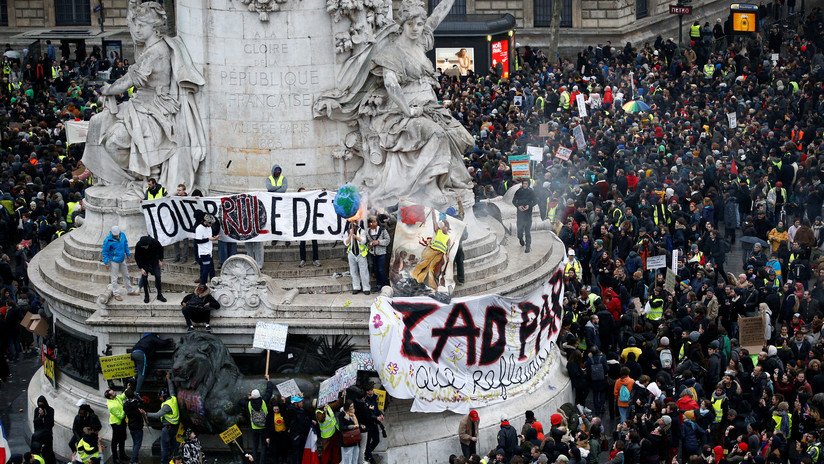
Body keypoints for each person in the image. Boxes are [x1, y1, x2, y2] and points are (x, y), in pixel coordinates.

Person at [313, 0, 474, 207]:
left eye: (419, 24)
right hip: (400, 113)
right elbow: (391, 85)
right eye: (411, 24)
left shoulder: (421, 41)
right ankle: (429, 184)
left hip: (428, 108)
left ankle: (451, 180)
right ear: (402, 24)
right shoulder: (391, 53)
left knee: (462, 137)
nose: (416, 29)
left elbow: (437, 16)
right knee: (437, 134)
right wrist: (409, 112)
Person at [81, 0, 206, 191]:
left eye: (141, 26)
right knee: (98, 123)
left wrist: (108, 89)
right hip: (140, 103)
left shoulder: (156, 51)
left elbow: (129, 80)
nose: (137, 30)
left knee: (114, 141)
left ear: (154, 28)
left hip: (154, 106)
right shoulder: (148, 46)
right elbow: (131, 25)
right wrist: (132, 6)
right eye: (136, 25)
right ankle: (137, 175)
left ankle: (145, 177)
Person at [143, 372, 179, 464]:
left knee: (164, 447)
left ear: (163, 396)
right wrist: (168, 379)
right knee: (173, 445)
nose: (159, 398)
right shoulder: (173, 398)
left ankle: (164, 462)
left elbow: (157, 415)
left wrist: (145, 413)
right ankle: (175, 460)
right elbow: (171, 389)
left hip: (167, 428)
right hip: (174, 427)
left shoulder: (166, 406)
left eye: (160, 397)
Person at [411, 219, 452, 290]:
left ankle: (424, 282)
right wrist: (433, 212)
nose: (444, 228)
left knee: (430, 269)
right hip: (432, 251)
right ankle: (413, 278)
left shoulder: (448, 237)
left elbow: (448, 247)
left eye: (445, 227)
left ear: (447, 228)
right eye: (443, 226)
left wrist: (447, 255)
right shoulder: (438, 231)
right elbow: (434, 222)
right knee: (423, 264)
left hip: (439, 254)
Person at [101, 225, 137, 300]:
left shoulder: (122, 235)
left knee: (126, 274)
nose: (116, 236)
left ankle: (130, 290)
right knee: (115, 278)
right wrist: (106, 262)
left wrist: (128, 254)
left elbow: (125, 245)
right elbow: (105, 252)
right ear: (112, 233)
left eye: (117, 235)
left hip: (122, 259)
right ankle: (116, 293)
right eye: (115, 235)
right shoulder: (108, 240)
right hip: (114, 260)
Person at [246, 375, 273, 464]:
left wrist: (249, 397)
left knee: (255, 446)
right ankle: (262, 462)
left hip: (254, 428)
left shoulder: (249, 404)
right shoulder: (264, 401)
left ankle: (254, 461)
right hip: (263, 428)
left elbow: (240, 402)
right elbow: (269, 391)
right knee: (263, 446)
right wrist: (268, 380)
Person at [134, 234, 166, 303]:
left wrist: (161, 260)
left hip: (154, 260)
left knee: (158, 276)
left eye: (146, 246)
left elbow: (161, 250)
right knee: (144, 278)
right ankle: (146, 296)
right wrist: (141, 268)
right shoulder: (138, 245)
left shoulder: (155, 242)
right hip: (144, 262)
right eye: (143, 247)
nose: (145, 247)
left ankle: (159, 295)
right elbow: (137, 257)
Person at [344, 221, 370, 295]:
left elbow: (363, 241)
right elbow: (346, 243)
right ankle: (356, 287)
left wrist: (356, 237)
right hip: (351, 253)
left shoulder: (362, 231)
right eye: (352, 225)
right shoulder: (347, 232)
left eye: (354, 225)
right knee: (353, 271)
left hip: (361, 254)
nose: (353, 226)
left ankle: (366, 288)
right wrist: (350, 235)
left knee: (364, 271)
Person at [104, 387, 128, 464]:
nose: (115, 392)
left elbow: (122, 396)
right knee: (115, 441)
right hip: (116, 424)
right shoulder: (111, 406)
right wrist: (126, 408)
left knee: (122, 439)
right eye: (113, 393)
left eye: (113, 391)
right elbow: (121, 416)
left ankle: (122, 455)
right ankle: (115, 458)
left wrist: (128, 389)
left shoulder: (116, 397)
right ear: (110, 396)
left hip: (122, 422)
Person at [513, 178, 538, 253]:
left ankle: (528, 246)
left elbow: (535, 201)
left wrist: (529, 206)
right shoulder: (518, 191)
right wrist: (518, 206)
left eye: (526, 184)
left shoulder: (531, 192)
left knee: (527, 231)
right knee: (519, 231)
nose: (524, 185)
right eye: (523, 183)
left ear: (528, 184)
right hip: (520, 214)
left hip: (528, 214)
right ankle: (520, 239)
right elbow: (513, 201)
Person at [285, 396, 311, 464]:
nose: (302, 403)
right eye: (300, 402)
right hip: (296, 436)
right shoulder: (292, 411)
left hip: (302, 435)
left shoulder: (301, 410)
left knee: (300, 453)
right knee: (295, 453)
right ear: (295, 403)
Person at [366, 215, 391, 289]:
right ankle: (379, 285)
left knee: (381, 269)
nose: (375, 223)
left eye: (375, 221)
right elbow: (367, 243)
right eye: (373, 222)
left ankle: (385, 286)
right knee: (376, 270)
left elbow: (387, 240)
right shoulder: (367, 232)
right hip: (372, 253)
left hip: (382, 253)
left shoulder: (382, 230)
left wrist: (378, 242)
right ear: (370, 223)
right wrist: (370, 244)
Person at [122, 388, 144, 464]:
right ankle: (133, 460)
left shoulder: (125, 405)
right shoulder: (136, 404)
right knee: (137, 444)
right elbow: (142, 401)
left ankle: (135, 460)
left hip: (131, 425)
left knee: (135, 443)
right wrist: (136, 396)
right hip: (138, 426)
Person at [194, 214, 217, 285]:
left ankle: (213, 283)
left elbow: (209, 237)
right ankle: (202, 284)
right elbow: (198, 241)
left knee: (211, 269)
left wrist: (214, 237)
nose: (211, 225)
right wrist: (208, 239)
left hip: (209, 251)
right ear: (205, 221)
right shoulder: (199, 228)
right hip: (203, 253)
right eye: (210, 223)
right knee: (206, 270)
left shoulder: (209, 228)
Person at [31, 396, 54, 464]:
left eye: (42, 404)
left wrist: (44, 415)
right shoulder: (37, 410)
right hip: (39, 434)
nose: (40, 406)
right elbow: (35, 422)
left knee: (48, 450)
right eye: (39, 404)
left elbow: (51, 423)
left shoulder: (50, 410)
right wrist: (40, 416)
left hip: (47, 434)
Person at [338, 400, 361, 464]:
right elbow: (341, 427)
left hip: (355, 439)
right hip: (347, 440)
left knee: (355, 456)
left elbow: (357, 425)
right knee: (347, 458)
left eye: (353, 406)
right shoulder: (342, 414)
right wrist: (351, 426)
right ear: (347, 407)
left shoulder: (353, 414)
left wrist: (353, 416)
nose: (352, 408)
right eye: (350, 406)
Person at [172, 184, 191, 263]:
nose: (178, 192)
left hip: (185, 223)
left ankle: (184, 257)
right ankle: (177, 256)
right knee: (176, 240)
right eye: (178, 190)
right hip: (176, 222)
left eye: (180, 190)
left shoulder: (189, 199)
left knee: (185, 241)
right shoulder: (174, 198)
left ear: (184, 191)